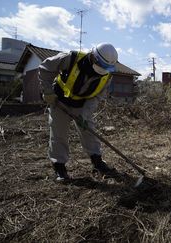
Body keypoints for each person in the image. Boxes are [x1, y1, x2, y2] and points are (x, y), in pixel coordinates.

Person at [39, 43, 118, 181]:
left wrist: (85, 113)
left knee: (88, 130)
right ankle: (59, 167)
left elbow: (98, 95)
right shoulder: (71, 58)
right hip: (59, 100)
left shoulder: (107, 74)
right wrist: (47, 91)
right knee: (59, 133)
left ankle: (97, 162)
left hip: (82, 104)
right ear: (93, 57)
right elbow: (45, 68)